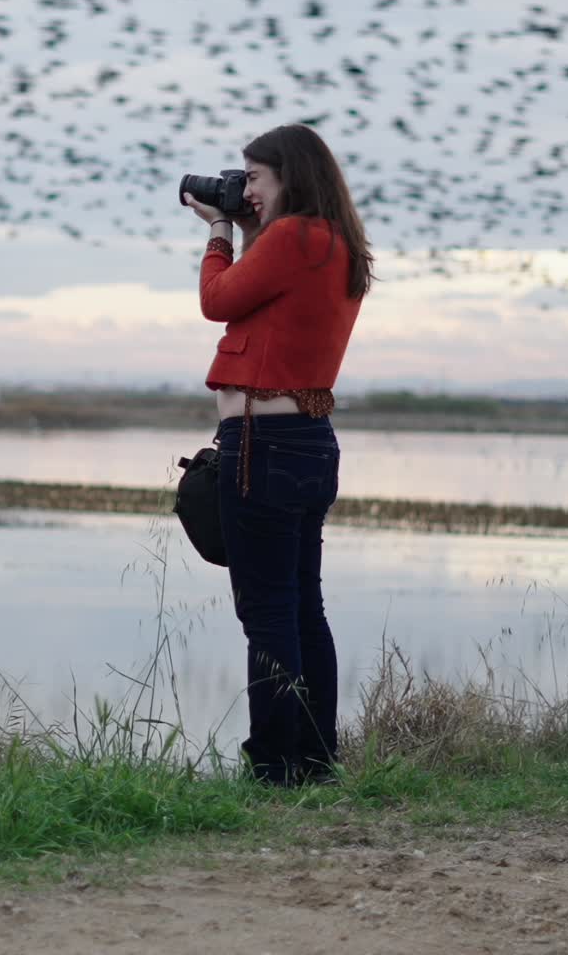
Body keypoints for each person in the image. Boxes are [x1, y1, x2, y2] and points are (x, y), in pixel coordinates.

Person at [182, 123, 374, 787]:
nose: (248, 190)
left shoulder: (294, 238)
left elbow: (218, 301)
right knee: (301, 607)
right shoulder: (334, 243)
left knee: (267, 611)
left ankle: (273, 769)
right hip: (310, 445)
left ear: (289, 175)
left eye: (255, 178)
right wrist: (251, 226)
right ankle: (315, 761)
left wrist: (218, 233)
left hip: (261, 448)